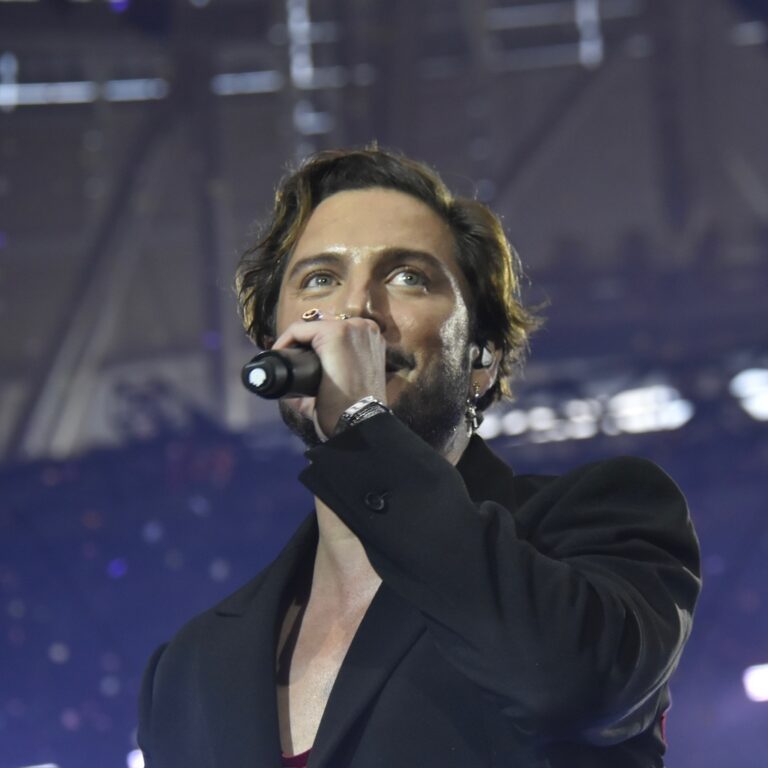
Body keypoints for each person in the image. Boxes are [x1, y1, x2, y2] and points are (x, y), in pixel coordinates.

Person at [138, 146, 700, 768]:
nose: (356, 312)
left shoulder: (596, 522)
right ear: (277, 341)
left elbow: (571, 687)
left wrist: (360, 426)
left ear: (482, 359)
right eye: (320, 279)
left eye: (408, 277)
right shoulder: (190, 668)